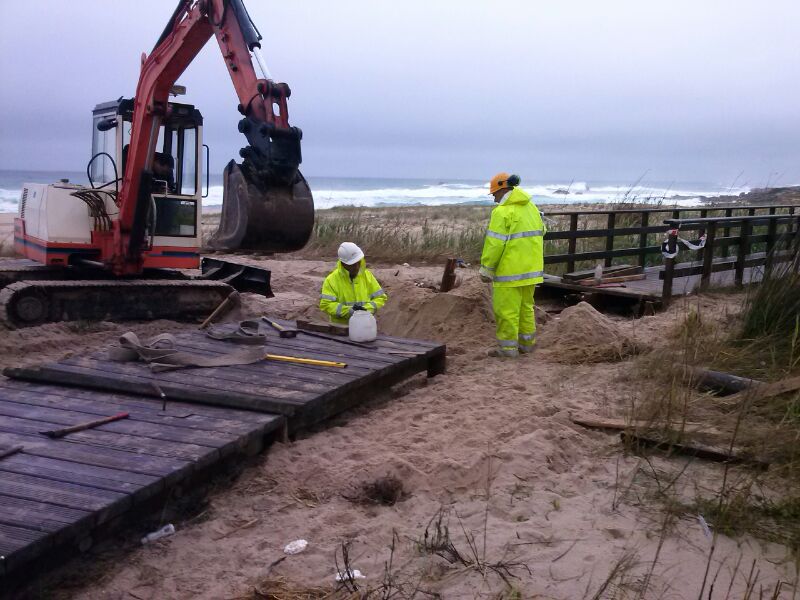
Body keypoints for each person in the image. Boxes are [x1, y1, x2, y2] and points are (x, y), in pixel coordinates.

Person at [479, 173, 545, 358]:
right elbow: (542, 230)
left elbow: (495, 244)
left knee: (506, 311)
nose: (493, 198)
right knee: (526, 308)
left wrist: (486, 269)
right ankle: (527, 344)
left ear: (503, 189)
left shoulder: (501, 212)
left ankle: (507, 350)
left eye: (494, 194)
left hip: (509, 272)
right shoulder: (531, 207)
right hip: (531, 270)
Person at [320, 242, 388, 324]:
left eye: (358, 262)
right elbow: (326, 305)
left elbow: (381, 298)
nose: (356, 267)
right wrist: (349, 311)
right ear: (343, 264)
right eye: (352, 264)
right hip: (340, 329)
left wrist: (366, 310)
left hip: (364, 326)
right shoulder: (331, 280)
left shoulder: (367, 276)